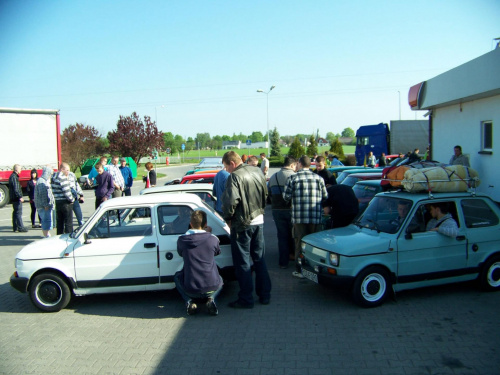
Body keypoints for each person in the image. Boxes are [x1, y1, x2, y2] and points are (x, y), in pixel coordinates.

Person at [221, 151, 271, 308]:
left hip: (242, 224)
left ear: (232, 164)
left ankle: (246, 298)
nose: (226, 170)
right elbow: (265, 193)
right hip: (259, 220)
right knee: (259, 259)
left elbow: (230, 202)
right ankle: (265, 295)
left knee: (242, 262)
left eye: (226, 167)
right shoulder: (257, 171)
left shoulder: (234, 176)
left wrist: (228, 219)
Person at [283, 155, 328, 278]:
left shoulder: (293, 178)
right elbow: (325, 196)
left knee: (299, 243)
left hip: (299, 217)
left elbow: (285, 197)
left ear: (299, 164)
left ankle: (299, 270)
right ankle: (316, 269)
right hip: (315, 217)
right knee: (316, 244)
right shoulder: (319, 178)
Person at [174, 210, 223, 316]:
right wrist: (209, 233)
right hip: (211, 287)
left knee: (177, 277)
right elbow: (217, 252)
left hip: (190, 289)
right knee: (221, 279)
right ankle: (211, 299)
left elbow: (180, 253)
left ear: (190, 224)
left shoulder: (182, 240)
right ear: (205, 224)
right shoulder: (213, 239)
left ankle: (189, 301)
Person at [268, 157, 297, 268]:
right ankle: (295, 258)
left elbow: (269, 192)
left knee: (282, 236)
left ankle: (283, 262)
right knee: (294, 235)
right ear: (292, 165)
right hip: (291, 209)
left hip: (276, 210)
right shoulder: (294, 177)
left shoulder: (273, 177)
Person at [51, 162, 75, 235]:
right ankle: (68, 237)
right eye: (67, 170)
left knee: (60, 222)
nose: (68, 172)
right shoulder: (62, 177)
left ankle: (59, 236)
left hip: (57, 201)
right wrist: (72, 199)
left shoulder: (53, 176)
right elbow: (66, 191)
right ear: (62, 169)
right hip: (65, 202)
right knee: (68, 223)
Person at [35, 166, 55, 238]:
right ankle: (46, 235)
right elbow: (43, 195)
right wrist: (46, 205)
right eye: (50, 174)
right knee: (46, 221)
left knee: (46, 221)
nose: (50, 176)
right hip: (44, 207)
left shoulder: (42, 180)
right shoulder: (42, 182)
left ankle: (46, 234)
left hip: (42, 206)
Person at [9, 164, 28, 232]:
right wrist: (20, 197)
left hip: (14, 198)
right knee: (18, 213)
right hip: (16, 198)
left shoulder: (12, 176)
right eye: (20, 169)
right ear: (16, 169)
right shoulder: (14, 177)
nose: (21, 170)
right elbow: (16, 188)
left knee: (15, 213)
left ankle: (15, 227)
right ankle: (20, 227)